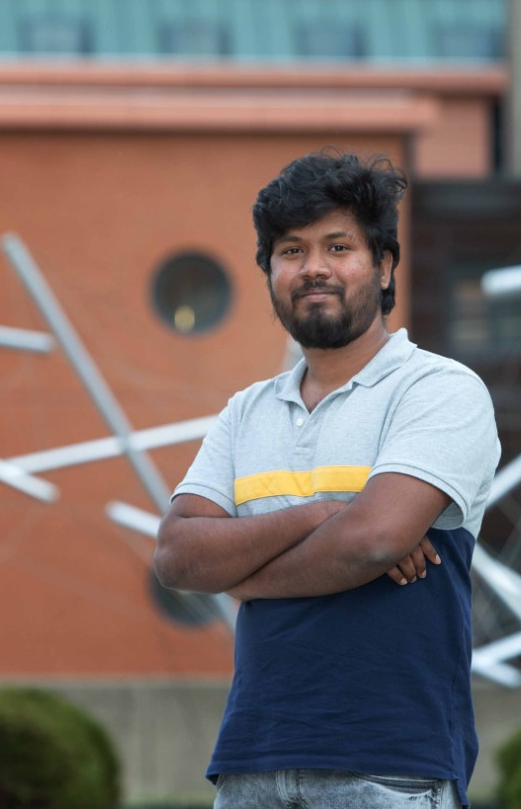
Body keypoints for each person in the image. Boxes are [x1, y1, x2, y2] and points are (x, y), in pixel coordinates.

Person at [153, 151, 500, 809]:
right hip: (251, 763)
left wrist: (241, 573)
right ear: (270, 272)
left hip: (392, 766)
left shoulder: (439, 390)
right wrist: (322, 514)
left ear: (385, 266)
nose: (313, 267)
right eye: (291, 250)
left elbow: (373, 539)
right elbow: (175, 555)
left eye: (338, 247)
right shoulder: (246, 411)